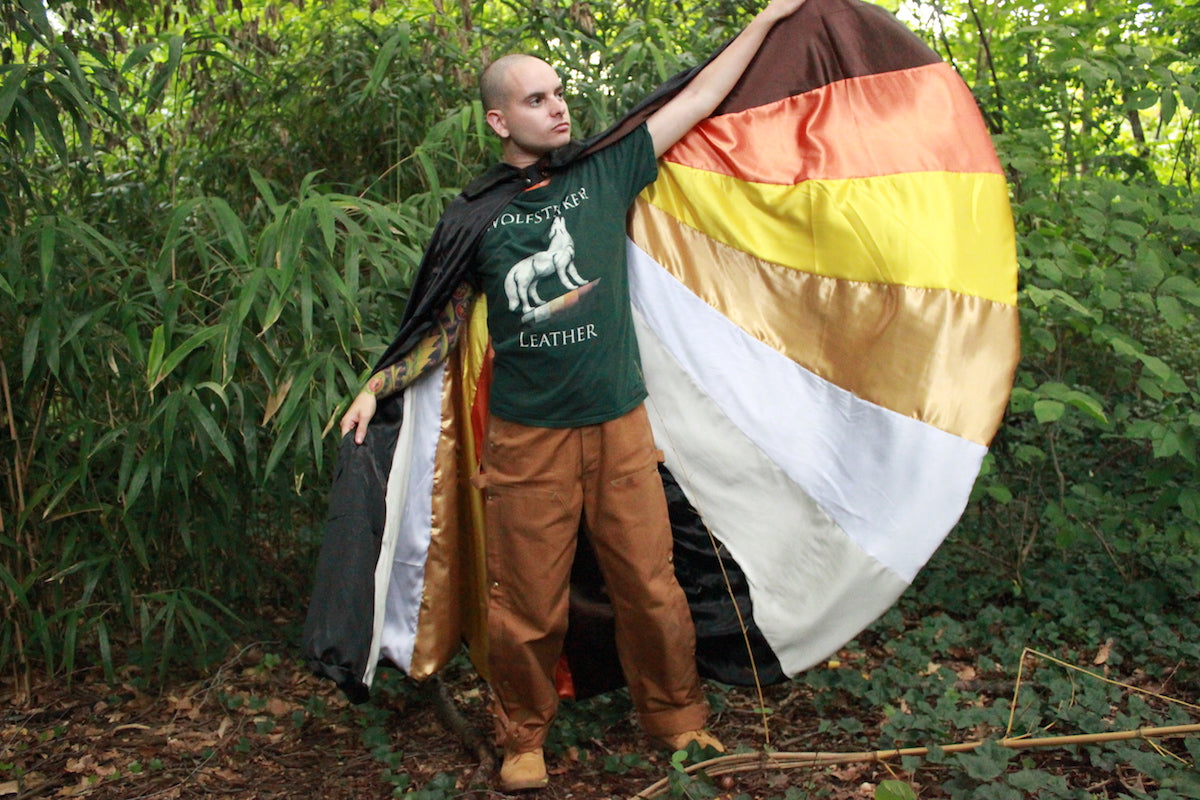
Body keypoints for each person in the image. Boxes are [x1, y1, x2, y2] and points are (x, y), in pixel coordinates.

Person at [338, 0, 808, 790]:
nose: (556, 108)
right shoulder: (477, 216)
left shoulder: (605, 169)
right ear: (498, 121)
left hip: (620, 425)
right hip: (526, 440)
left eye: (558, 95)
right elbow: (443, 318)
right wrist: (377, 385)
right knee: (527, 602)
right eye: (535, 100)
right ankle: (523, 735)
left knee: (650, 585)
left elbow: (694, 101)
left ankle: (678, 717)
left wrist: (764, 21)